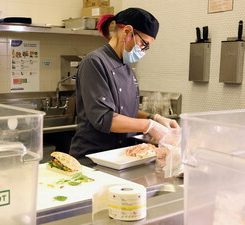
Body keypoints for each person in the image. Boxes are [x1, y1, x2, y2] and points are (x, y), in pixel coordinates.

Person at [69, 8, 179, 159]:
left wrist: (155, 118)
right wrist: (149, 126)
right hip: (93, 157)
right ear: (127, 32)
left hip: (119, 156)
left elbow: (125, 111)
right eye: (143, 44)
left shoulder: (127, 69)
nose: (143, 51)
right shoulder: (94, 62)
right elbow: (104, 118)